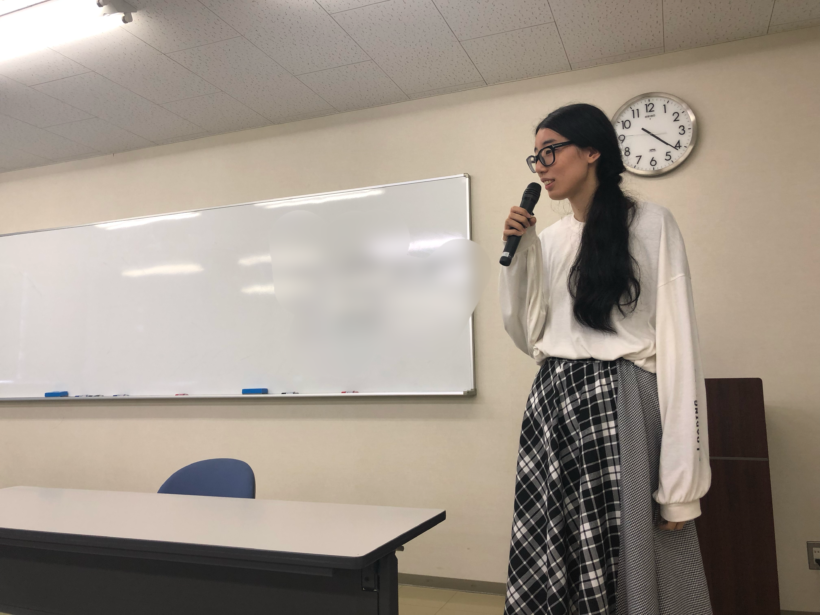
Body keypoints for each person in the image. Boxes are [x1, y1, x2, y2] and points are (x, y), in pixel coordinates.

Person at [499, 103, 712, 615]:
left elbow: (679, 344)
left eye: (551, 151)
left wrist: (682, 485)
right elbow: (528, 336)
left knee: (628, 550)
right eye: (535, 156)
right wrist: (519, 256)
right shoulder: (550, 240)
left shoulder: (651, 224)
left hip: (620, 400)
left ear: (592, 151)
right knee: (558, 547)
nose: (542, 166)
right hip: (553, 402)